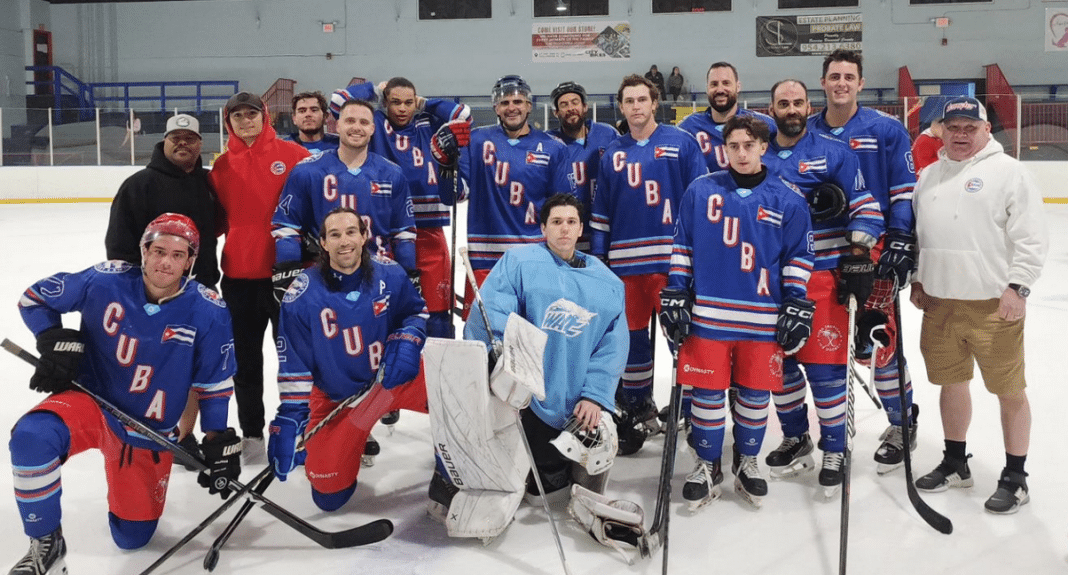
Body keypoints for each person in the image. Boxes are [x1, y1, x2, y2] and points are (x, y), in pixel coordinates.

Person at [9, 214, 240, 574]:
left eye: (178, 255)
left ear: (191, 261)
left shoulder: (209, 310)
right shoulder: (104, 279)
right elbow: (33, 299)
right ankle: (45, 541)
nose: (166, 262)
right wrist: (51, 338)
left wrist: (215, 437)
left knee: (132, 537)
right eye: (158, 250)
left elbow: (214, 384)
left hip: (146, 430)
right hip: (91, 402)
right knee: (30, 437)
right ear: (143, 250)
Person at [660, 115, 814, 509]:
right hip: (709, 316)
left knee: (754, 395)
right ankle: (707, 464)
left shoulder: (789, 198)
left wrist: (795, 301)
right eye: (734, 146)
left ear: (764, 147)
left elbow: (798, 256)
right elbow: (683, 247)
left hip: (763, 319)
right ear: (723, 149)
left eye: (750, 145)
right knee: (708, 395)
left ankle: (747, 460)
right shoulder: (700, 191)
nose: (742, 153)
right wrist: (677, 291)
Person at [910, 97, 1048, 515]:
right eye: (953, 126)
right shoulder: (929, 176)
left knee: (1009, 391)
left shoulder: (1008, 173)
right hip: (940, 302)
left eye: (971, 126)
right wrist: (918, 278)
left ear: (986, 130)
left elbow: (1031, 236)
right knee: (951, 384)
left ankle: (1015, 476)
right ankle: (955, 462)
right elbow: (920, 234)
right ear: (941, 130)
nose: (961, 134)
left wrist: (1018, 287)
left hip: (993, 303)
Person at [761, 79, 885, 492]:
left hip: (822, 277)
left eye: (798, 102)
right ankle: (796, 437)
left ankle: (835, 446)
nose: (791, 109)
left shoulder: (834, 152)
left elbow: (868, 208)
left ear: (807, 105)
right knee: (780, 368)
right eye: (783, 103)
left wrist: (857, 254)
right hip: (771, 282)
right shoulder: (758, 156)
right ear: (771, 107)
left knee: (826, 368)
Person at [463, 193, 627, 501]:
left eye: (571, 222)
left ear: (581, 230)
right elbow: (495, 314)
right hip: (526, 397)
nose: (564, 229)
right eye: (556, 222)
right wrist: (502, 360)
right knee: (540, 490)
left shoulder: (608, 283)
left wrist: (594, 396)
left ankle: (577, 479)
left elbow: (612, 347)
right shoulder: (519, 262)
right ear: (543, 228)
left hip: (578, 401)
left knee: (600, 436)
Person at [267, 207, 428, 511]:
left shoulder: (390, 272)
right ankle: (349, 434)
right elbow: (294, 364)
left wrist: (407, 342)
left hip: (393, 378)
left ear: (365, 236)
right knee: (329, 494)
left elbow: (415, 312)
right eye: (335, 235)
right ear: (323, 243)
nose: (345, 241)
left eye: (351, 232)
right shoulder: (301, 294)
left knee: (459, 394)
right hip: (340, 398)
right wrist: (290, 416)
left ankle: (452, 471)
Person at [806, 49, 920, 473]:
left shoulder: (885, 129)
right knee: (832, 345)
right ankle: (829, 430)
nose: (841, 83)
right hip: (820, 257)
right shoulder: (808, 132)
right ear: (823, 82)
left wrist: (902, 238)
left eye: (848, 76)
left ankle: (901, 421)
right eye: (834, 76)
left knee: (877, 344)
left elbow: (903, 191)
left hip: (870, 252)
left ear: (860, 82)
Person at [590, 74, 706, 455]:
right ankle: (637, 407)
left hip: (672, 263)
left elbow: (700, 202)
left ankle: (690, 407)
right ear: (621, 107)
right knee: (632, 342)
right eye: (629, 101)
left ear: (654, 103)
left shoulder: (682, 142)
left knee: (683, 338)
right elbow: (602, 211)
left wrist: (696, 255)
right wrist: (601, 259)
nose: (636, 106)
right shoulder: (612, 154)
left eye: (643, 99)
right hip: (625, 266)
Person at [105, 112, 222, 464]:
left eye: (190, 137)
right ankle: (150, 430)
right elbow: (119, 247)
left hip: (199, 292)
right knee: (158, 368)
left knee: (195, 367)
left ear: (200, 143)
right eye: (176, 138)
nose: (183, 143)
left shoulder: (207, 183)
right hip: (152, 298)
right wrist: (138, 294)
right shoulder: (138, 185)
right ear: (164, 142)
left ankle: (184, 435)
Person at [329, 77, 472, 339]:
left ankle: (435, 371)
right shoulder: (376, 124)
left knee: (437, 312)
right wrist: (374, 90)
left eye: (409, 102)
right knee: (388, 309)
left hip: (429, 231)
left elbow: (463, 115)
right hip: (387, 232)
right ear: (385, 103)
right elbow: (338, 102)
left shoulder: (429, 122)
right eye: (395, 102)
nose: (403, 109)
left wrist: (424, 103)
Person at [210, 91, 309, 464]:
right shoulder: (220, 168)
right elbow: (217, 221)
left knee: (297, 360)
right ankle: (252, 431)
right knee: (246, 361)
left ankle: (299, 428)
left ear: (264, 116)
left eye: (252, 114)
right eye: (237, 116)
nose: (245, 121)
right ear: (228, 122)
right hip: (238, 278)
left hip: (288, 277)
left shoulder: (293, 156)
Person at [441, 75, 570, 315]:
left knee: (534, 339)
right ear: (495, 108)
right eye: (505, 102)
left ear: (529, 106)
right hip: (485, 258)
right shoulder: (476, 140)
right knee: (483, 339)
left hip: (534, 258)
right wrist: (444, 165)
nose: (512, 107)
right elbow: (452, 196)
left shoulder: (553, 148)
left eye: (518, 101)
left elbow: (561, 209)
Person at [547, 80, 619, 248]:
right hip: (567, 236)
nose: (570, 108)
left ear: (585, 106)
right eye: (564, 104)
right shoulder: (549, 143)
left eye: (575, 102)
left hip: (606, 231)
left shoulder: (608, 134)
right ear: (556, 112)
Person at [677, 62, 777, 173]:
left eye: (726, 83)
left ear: (738, 87)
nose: (720, 90)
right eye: (714, 84)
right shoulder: (688, 127)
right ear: (707, 89)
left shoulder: (764, 124)